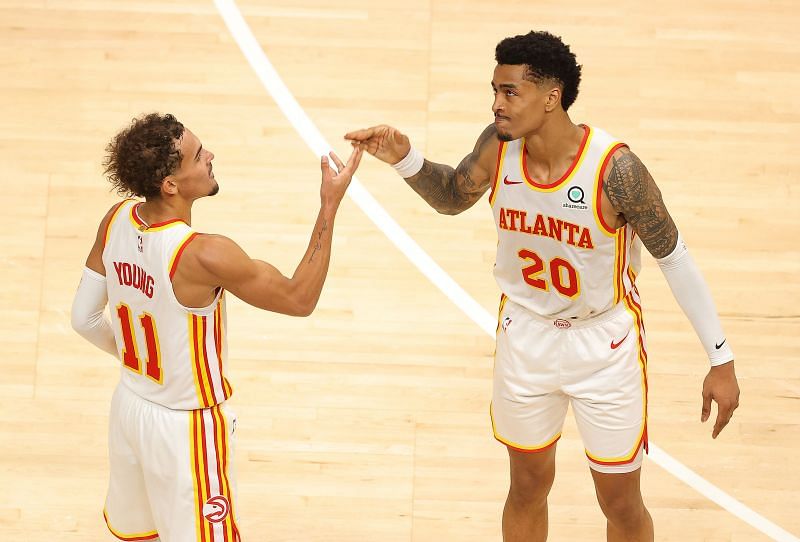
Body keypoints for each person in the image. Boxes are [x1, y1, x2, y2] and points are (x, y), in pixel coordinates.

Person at [345, 31, 740, 542]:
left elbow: (673, 255)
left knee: (619, 500)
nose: (496, 104)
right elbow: (451, 196)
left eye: (510, 92)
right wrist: (404, 157)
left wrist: (720, 358)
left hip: (604, 344)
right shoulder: (498, 145)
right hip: (525, 335)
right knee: (527, 485)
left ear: (550, 97)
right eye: (494, 90)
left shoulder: (614, 168)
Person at [71, 112, 363, 542]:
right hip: (185, 429)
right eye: (197, 155)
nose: (210, 156)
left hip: (129, 409)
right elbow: (299, 299)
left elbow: (83, 319)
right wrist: (330, 204)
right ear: (170, 184)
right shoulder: (203, 254)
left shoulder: (116, 220)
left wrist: (142, 360)